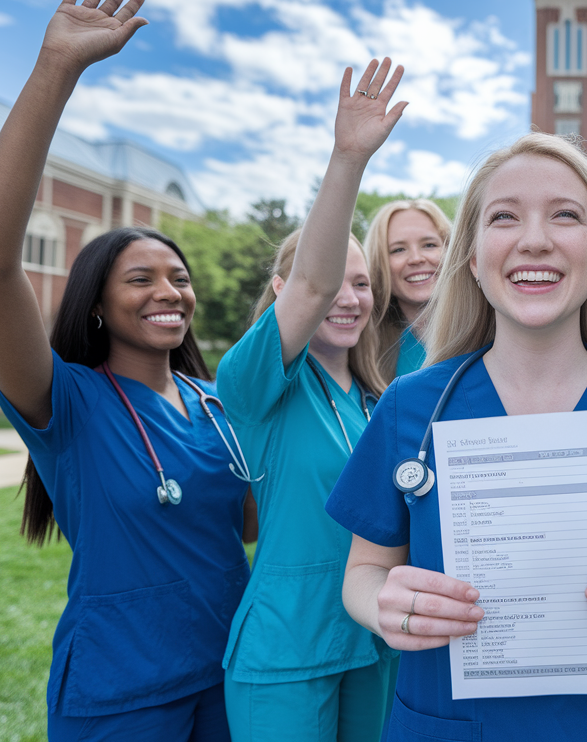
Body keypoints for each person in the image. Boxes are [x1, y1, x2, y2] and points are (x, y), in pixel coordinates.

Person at [326, 132, 587, 741]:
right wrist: (383, 603)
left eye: (565, 215)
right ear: (471, 259)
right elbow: (363, 572)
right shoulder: (408, 408)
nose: (534, 239)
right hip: (450, 722)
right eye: (504, 217)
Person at [0, 0, 250, 740]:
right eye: (141, 278)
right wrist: (56, 69)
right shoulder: (67, 404)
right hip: (122, 698)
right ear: (96, 302)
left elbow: (254, 526)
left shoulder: (218, 405)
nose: (170, 291)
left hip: (230, 679)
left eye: (179, 278)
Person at [215, 60, 404, 742]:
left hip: (371, 642)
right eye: (334, 284)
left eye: (363, 284)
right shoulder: (253, 384)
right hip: (287, 652)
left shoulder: (375, 402)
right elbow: (313, 286)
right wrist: (348, 158)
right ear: (279, 290)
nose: (349, 298)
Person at [363, 198, 452, 380]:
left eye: (429, 245)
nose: (416, 258)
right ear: (379, 266)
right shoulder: (367, 355)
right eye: (398, 250)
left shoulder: (492, 330)